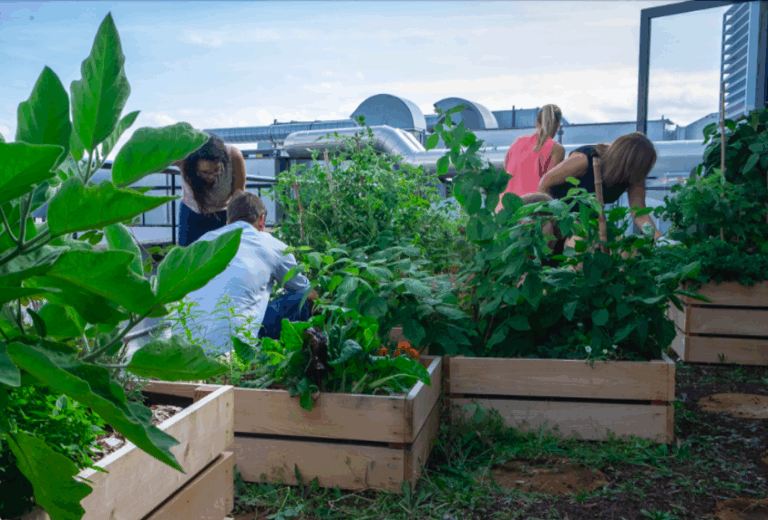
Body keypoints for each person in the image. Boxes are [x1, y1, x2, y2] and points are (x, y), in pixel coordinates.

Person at [177, 191, 315, 354]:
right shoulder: (272, 245)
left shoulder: (203, 241)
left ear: (228, 222)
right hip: (235, 349)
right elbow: (306, 292)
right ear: (261, 221)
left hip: (184, 347)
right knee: (305, 297)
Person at [537, 132, 663, 239]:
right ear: (628, 163)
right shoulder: (585, 159)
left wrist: (659, 239)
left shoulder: (634, 175)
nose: (641, 175)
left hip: (587, 222)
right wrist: (550, 220)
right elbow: (545, 183)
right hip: (560, 217)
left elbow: (640, 214)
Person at [173, 135, 246, 246]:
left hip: (223, 214)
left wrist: (234, 221)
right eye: (205, 172)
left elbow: (238, 194)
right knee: (187, 253)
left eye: (216, 170)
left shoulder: (233, 156)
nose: (211, 176)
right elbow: (160, 160)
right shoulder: (185, 157)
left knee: (222, 253)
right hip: (191, 213)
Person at [496, 104, 565, 212]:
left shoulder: (517, 142)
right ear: (558, 124)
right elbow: (550, 185)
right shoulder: (557, 149)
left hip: (504, 209)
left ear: (537, 122)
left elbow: (505, 174)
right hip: (530, 211)